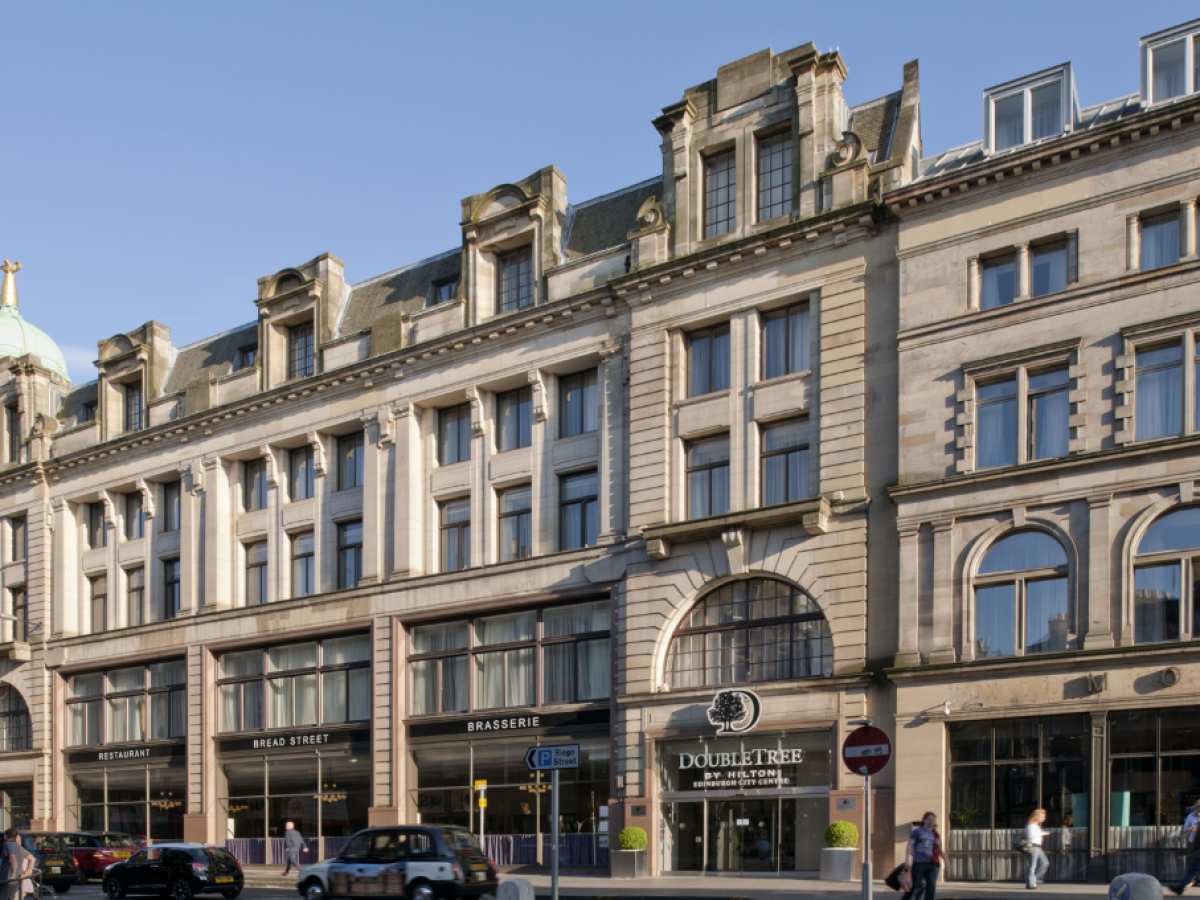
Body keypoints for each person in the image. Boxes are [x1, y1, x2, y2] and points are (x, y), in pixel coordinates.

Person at [902, 812, 945, 900]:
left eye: (933, 820)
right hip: (919, 863)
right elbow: (909, 845)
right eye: (929, 819)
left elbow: (938, 849)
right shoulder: (917, 831)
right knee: (914, 885)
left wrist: (938, 845)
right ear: (924, 820)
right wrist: (907, 860)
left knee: (931, 886)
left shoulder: (934, 833)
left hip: (931, 863)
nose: (931, 821)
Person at [1024, 809, 1049, 890]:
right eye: (1042, 816)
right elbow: (1030, 836)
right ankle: (1032, 883)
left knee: (1045, 863)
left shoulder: (1036, 826)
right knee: (1032, 866)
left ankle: (1032, 880)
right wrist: (1043, 833)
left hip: (1038, 847)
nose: (1044, 818)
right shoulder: (1031, 825)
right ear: (1037, 816)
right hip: (1033, 846)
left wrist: (1041, 833)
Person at [1, 829, 23, 900]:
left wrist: (13, 873)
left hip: (8, 878)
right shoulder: (18, 846)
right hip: (17, 878)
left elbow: (12, 858)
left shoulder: (7, 844)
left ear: (5, 836)